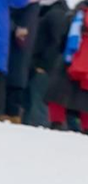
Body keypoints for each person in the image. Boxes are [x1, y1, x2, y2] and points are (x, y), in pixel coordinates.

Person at [25, 0, 73, 127]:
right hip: (43, 65)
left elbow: (56, 43)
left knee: (39, 105)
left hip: (45, 67)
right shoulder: (55, 12)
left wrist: (43, 65)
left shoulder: (56, 14)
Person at [45, 1, 88, 131]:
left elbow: (62, 37)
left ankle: (56, 122)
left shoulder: (76, 15)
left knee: (58, 92)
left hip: (70, 58)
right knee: (85, 95)